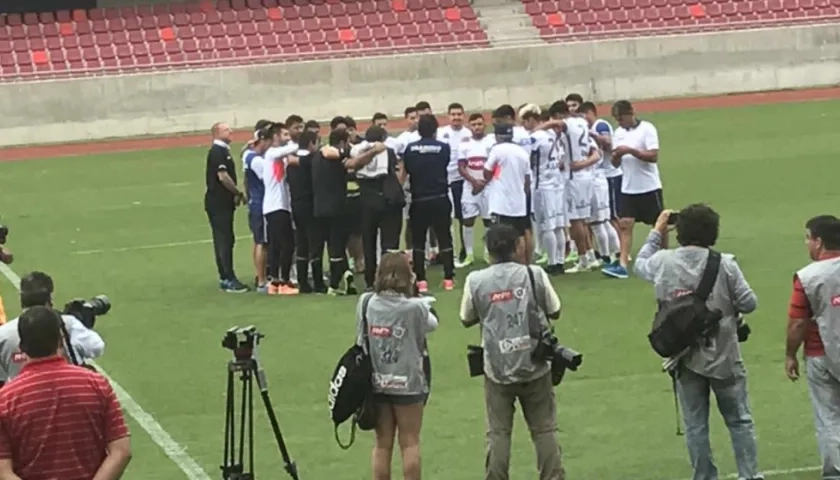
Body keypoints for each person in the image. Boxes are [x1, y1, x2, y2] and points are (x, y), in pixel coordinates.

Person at [634, 205, 763, 480]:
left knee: (695, 425)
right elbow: (749, 303)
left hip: (684, 356)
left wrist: (656, 232)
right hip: (725, 354)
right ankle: (749, 475)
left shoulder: (663, 262)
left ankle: (704, 477)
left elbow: (640, 263)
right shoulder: (725, 263)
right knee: (739, 421)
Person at [459, 223, 564, 480]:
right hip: (535, 363)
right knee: (544, 430)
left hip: (496, 367)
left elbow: (465, 317)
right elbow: (555, 310)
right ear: (517, 246)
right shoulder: (534, 274)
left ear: (488, 250)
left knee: (498, 433)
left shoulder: (476, 280)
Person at [0, 306, 131, 479]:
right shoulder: (96, 384)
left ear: (21, 347)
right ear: (60, 340)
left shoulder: (5, 400)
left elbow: (3, 471)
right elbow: (121, 451)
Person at [358, 253, 438, 480]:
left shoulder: (366, 303)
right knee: (410, 442)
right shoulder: (414, 307)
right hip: (408, 382)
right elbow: (433, 324)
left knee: (382, 445)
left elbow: (359, 340)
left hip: (377, 381)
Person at [786, 214, 840, 479]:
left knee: (829, 419)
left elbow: (798, 322)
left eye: (808, 238)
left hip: (821, 355)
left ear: (819, 242)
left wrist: (790, 355)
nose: (807, 244)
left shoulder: (808, 277)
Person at [311, 129, 384, 295]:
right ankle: (334, 284)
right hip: (336, 207)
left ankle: (345, 275)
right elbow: (354, 163)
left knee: (331, 246)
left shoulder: (318, 156)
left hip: (319, 207)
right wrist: (373, 151)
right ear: (343, 142)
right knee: (336, 246)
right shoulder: (334, 155)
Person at [0, 271, 105, 385]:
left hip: (23, 397)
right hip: (68, 391)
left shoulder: (3, 334)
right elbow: (97, 347)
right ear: (49, 298)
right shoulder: (67, 324)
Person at [602, 100, 664, 279]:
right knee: (625, 224)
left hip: (649, 185)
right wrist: (617, 156)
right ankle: (622, 264)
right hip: (628, 186)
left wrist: (630, 150)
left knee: (658, 224)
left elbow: (653, 156)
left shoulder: (647, 129)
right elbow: (615, 162)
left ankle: (663, 257)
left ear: (630, 114)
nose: (619, 123)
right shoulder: (619, 133)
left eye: (621, 118)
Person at [402, 114, 456, 293]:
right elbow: (444, 164)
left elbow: (408, 170)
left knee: (418, 240)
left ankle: (421, 281)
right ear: (435, 130)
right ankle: (448, 278)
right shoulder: (443, 148)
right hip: (440, 197)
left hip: (419, 199)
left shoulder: (410, 149)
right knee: (444, 237)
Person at [352, 126, 406, 291]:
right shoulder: (387, 152)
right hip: (387, 201)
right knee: (389, 245)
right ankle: (388, 279)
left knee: (368, 243)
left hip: (366, 200)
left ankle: (370, 280)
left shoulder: (356, 152)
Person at [204, 121, 248, 292]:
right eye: (226, 129)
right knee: (224, 239)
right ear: (216, 133)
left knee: (224, 239)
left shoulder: (223, 151)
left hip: (221, 202)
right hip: (218, 202)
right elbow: (223, 177)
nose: (230, 131)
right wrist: (237, 193)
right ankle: (228, 277)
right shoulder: (217, 152)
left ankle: (226, 276)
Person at [484, 123, 533, 263]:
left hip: (501, 202)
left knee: (497, 234)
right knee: (522, 234)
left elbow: (487, 171)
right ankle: (525, 263)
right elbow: (527, 180)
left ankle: (500, 263)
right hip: (519, 202)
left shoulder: (497, 150)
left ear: (497, 136)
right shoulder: (522, 152)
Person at [580, 101, 622, 265]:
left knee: (599, 222)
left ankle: (606, 255)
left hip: (597, 179)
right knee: (604, 221)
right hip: (601, 178)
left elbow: (606, 146)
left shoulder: (592, 135)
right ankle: (616, 251)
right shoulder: (589, 140)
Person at [261, 123, 300, 295]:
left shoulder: (278, 157)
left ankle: (276, 281)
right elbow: (290, 150)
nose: (287, 137)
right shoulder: (271, 153)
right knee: (285, 244)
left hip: (280, 206)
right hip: (275, 206)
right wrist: (295, 141)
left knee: (280, 244)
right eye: (284, 134)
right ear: (276, 136)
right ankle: (281, 281)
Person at [456, 112, 495, 267]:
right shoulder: (464, 144)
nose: (477, 127)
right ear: (469, 126)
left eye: (480, 124)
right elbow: (461, 167)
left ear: (485, 125)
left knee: (488, 221)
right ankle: (469, 254)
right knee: (467, 220)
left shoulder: (491, 141)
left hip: (488, 187)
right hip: (470, 187)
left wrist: (484, 182)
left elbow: (496, 165)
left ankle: (487, 252)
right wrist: (474, 182)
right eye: (474, 125)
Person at [286, 130, 321, 293]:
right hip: (310, 204)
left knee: (301, 243)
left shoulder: (292, 161)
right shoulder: (311, 159)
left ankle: (302, 281)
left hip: (296, 204)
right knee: (315, 243)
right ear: (311, 143)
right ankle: (318, 280)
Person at [243, 122, 275, 289]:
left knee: (258, 241)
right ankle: (262, 280)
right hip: (261, 203)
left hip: (255, 202)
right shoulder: (257, 161)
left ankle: (260, 275)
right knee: (262, 242)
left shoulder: (248, 155)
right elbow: (267, 177)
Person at [437, 103, 470, 263]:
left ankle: (465, 251)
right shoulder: (441, 133)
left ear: (463, 115)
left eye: (459, 114)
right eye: (453, 114)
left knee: (464, 219)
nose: (456, 117)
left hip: (463, 181)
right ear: (448, 116)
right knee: (447, 220)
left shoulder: (468, 133)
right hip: (446, 181)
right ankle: (452, 253)